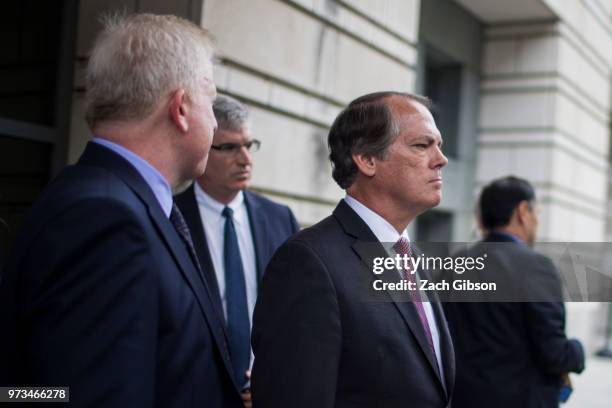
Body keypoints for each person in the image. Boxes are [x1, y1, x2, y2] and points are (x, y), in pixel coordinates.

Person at [0, 14, 243, 407]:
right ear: (180, 108)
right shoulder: (104, 218)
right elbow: (73, 397)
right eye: (211, 101)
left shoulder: (109, 201)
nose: (216, 123)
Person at [251, 91, 454, 407]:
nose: (440, 159)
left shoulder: (415, 258)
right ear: (367, 159)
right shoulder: (309, 263)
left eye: (438, 145)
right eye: (422, 145)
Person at [174, 94, 299, 406]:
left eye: (249, 144)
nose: (245, 159)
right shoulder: (169, 218)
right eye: (229, 147)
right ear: (202, 146)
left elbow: (296, 312)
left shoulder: (280, 218)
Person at [444, 176, 585, 408]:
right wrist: (578, 351)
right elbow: (554, 354)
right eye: (536, 212)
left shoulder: (456, 264)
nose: (537, 221)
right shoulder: (537, 266)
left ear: (481, 219)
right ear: (523, 211)